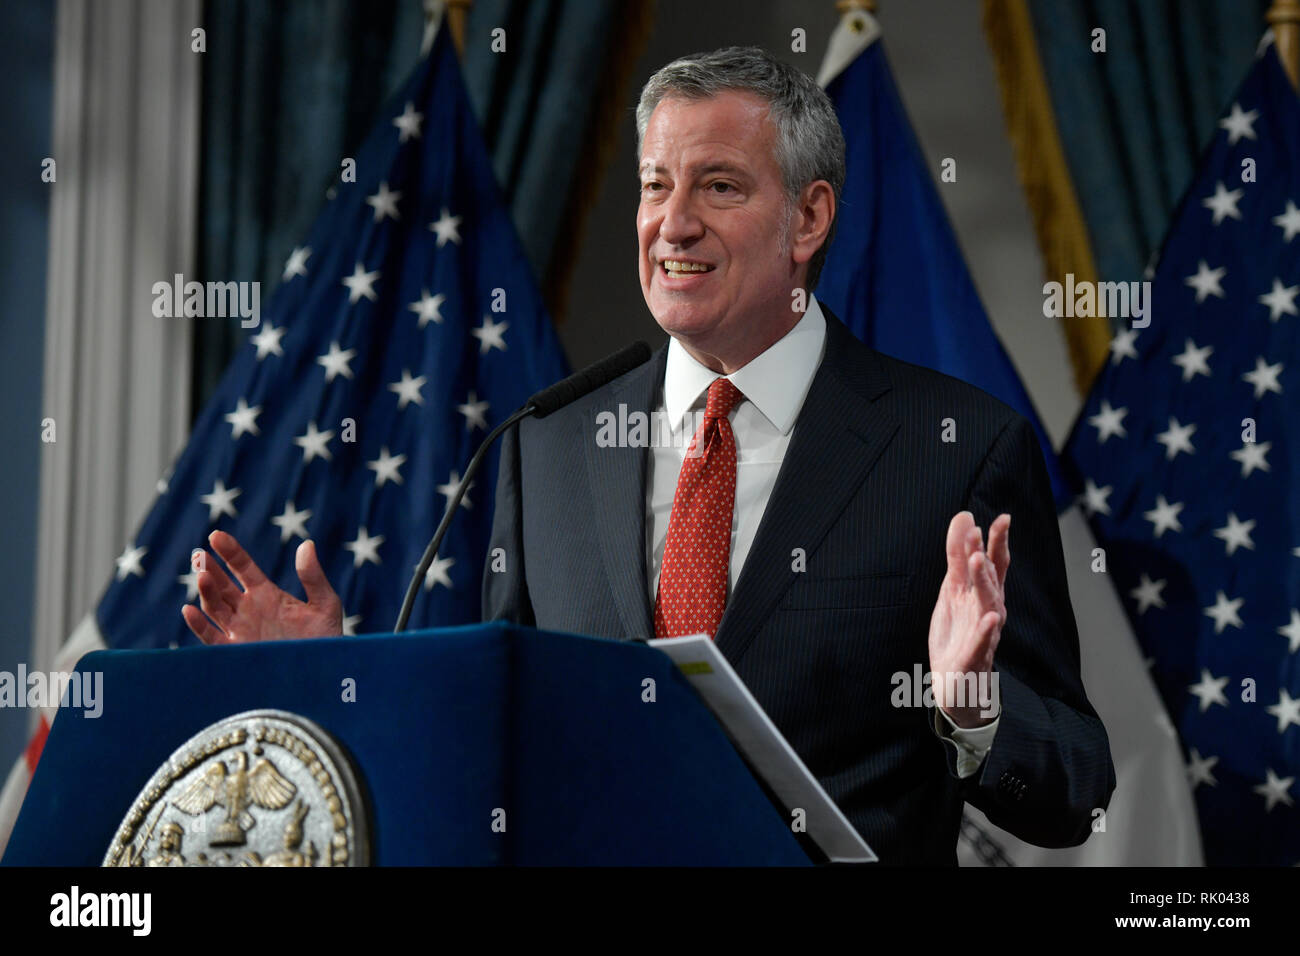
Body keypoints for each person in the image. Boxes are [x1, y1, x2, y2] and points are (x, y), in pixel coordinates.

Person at [183, 46, 1114, 864]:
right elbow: (495, 739)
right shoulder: (541, 445)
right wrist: (337, 680)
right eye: (655, 184)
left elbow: (1078, 787)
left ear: (809, 219)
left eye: (718, 185)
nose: (672, 223)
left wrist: (968, 709)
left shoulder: (953, 449)